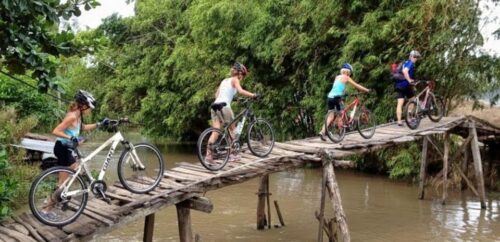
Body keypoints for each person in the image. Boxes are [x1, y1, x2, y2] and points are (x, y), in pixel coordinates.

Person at [41, 90, 108, 219]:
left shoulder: (77, 116)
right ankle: (46, 210)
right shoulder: (72, 116)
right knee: (63, 182)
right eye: (89, 107)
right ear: (83, 106)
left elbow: (82, 128)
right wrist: (71, 138)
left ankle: (51, 202)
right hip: (63, 148)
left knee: (72, 174)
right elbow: (56, 131)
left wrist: (99, 124)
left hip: (67, 148)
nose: (90, 110)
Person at [205, 62, 258, 162]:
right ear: (239, 73)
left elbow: (217, 95)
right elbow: (241, 91)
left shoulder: (224, 80)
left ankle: (208, 155)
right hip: (224, 106)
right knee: (232, 130)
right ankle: (233, 155)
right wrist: (253, 95)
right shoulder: (235, 79)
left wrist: (231, 98)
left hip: (215, 106)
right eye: (242, 74)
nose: (242, 77)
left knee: (215, 132)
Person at [319, 63, 370, 141]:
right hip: (336, 98)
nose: (349, 75)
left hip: (330, 97)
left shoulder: (337, 77)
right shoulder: (346, 77)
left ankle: (322, 132)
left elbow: (337, 87)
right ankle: (340, 134)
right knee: (340, 114)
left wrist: (343, 94)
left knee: (330, 116)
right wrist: (366, 90)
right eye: (349, 73)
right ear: (347, 72)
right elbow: (357, 85)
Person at [395, 50, 421, 126]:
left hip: (398, 85)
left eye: (417, 57)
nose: (416, 59)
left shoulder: (405, 62)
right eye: (415, 57)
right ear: (411, 56)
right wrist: (409, 80)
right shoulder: (410, 63)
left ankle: (399, 121)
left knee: (400, 103)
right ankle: (409, 118)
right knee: (413, 99)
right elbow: (405, 71)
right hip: (405, 85)